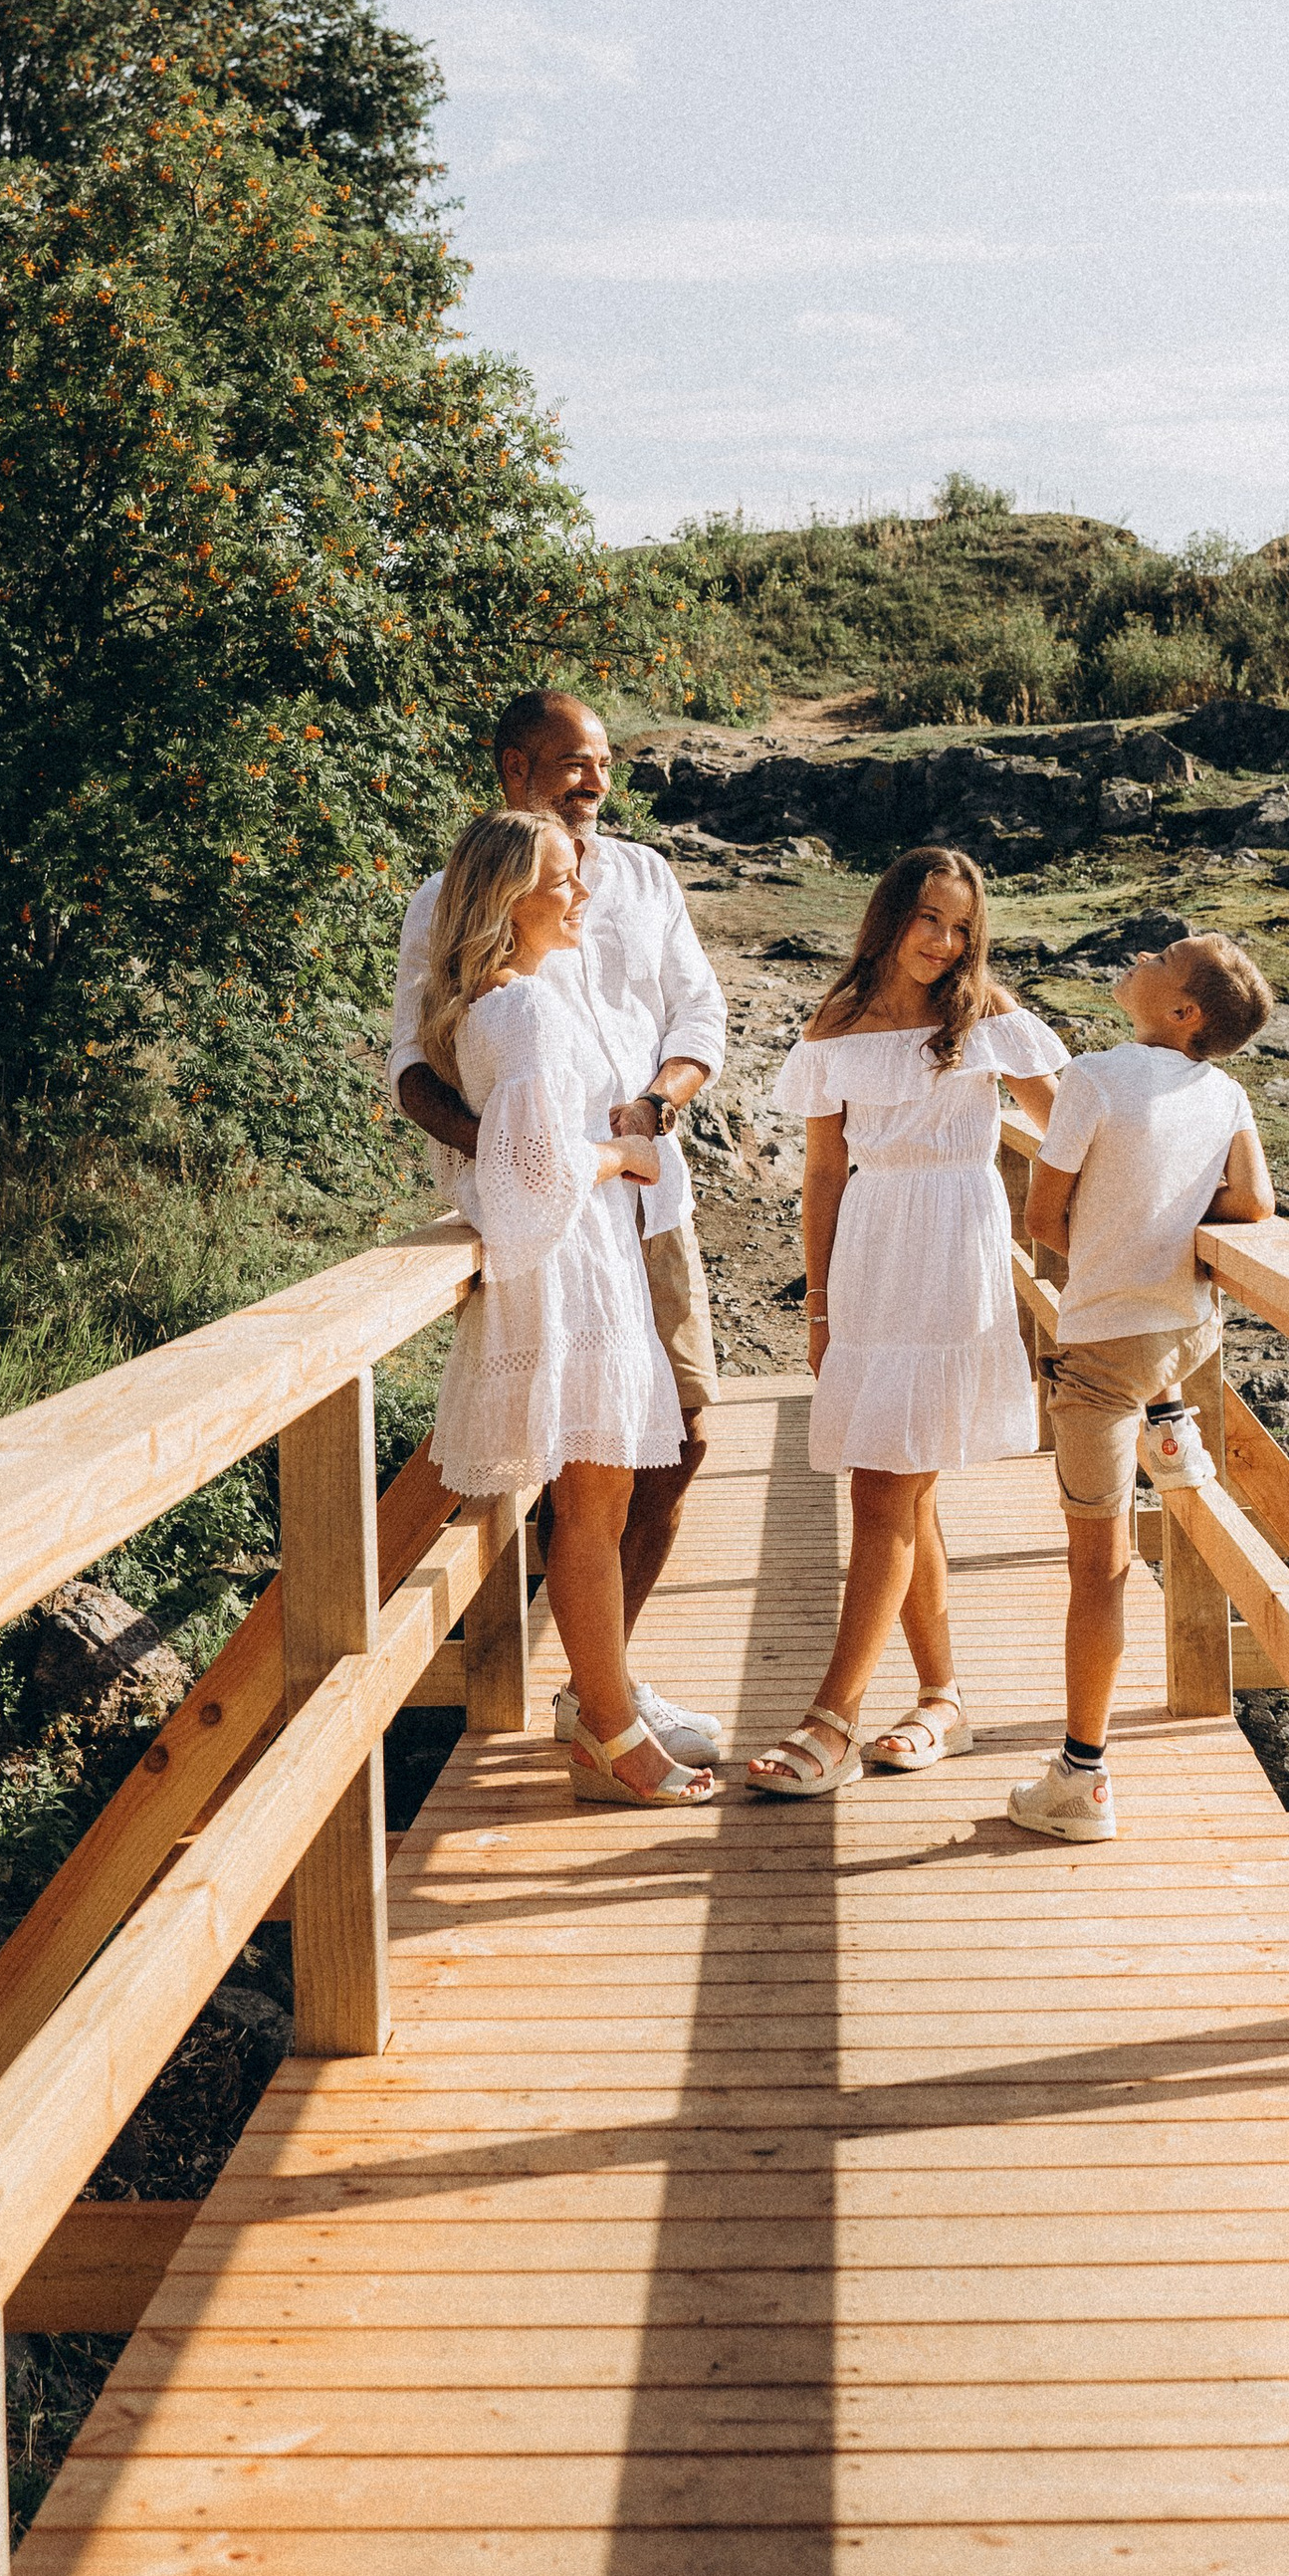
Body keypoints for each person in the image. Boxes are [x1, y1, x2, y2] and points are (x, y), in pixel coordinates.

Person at [390, 689, 730, 1768]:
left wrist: (659, 1107)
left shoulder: (638, 878)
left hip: (651, 1212)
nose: (594, 780)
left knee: (676, 1439)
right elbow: (413, 1064)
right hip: (556, 1226)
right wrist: (516, 1149)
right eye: (571, 762)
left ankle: (603, 1686)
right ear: (513, 769)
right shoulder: (448, 899)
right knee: (578, 1455)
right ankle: (598, 1706)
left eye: (604, 761)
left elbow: (698, 1014)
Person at [747, 846, 1066, 1797]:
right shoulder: (837, 1021)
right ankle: (942, 1702)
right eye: (929, 918)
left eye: (962, 927)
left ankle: (830, 1721)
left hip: (954, 1251)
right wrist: (817, 1301)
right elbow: (819, 1173)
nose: (944, 941)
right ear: (891, 915)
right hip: (872, 1255)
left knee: (884, 1488)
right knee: (904, 1484)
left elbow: (1071, 1120)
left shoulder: (987, 1015)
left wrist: (1169, 1182)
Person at [1006, 933, 1279, 1844]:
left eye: (1164, 955)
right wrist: (1172, 1222)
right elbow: (1255, 1205)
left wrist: (1116, 1246)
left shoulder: (1095, 1077)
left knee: (1100, 1576)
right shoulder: (1226, 1090)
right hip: (1187, 1332)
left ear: (1182, 1010)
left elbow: (1043, 1219)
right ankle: (1173, 1418)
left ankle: (1081, 1778)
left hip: (1103, 1352)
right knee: (1160, 1374)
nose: (1143, 953)